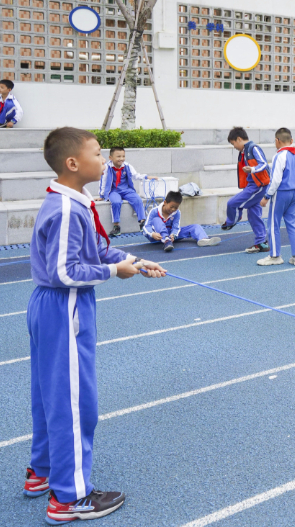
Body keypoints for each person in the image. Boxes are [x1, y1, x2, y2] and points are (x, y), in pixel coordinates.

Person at [25, 127, 166, 524]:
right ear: (73, 163)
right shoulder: (69, 209)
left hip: (55, 308)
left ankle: (42, 473)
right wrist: (112, 271)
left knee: (50, 396)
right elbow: (63, 271)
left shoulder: (75, 199)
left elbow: (99, 249)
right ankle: (69, 498)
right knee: (75, 405)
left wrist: (134, 263)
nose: (104, 160)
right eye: (98, 154)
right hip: (64, 308)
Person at [258, 127, 295, 266]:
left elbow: (276, 180)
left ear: (277, 141)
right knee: (292, 223)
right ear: (291, 140)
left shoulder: (279, 156)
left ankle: (275, 256)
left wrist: (267, 196)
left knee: (273, 224)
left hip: (282, 193)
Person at [222, 127, 271, 254]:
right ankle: (261, 243)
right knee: (254, 214)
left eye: (233, 144)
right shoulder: (244, 151)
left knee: (232, 203)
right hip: (252, 185)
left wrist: (253, 170)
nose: (234, 147)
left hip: (257, 186)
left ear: (239, 139)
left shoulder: (253, 148)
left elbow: (264, 164)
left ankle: (232, 220)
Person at [99, 146, 158, 237]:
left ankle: (143, 223)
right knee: (116, 202)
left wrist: (146, 177)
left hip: (126, 190)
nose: (121, 159)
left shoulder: (127, 166)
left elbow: (135, 176)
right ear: (110, 158)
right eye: (118, 156)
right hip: (114, 191)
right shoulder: (107, 167)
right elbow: (103, 181)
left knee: (137, 199)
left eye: (123, 156)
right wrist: (102, 195)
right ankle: (116, 226)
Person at [143, 190, 221, 252]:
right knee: (156, 220)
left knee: (195, 226)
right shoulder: (154, 211)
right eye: (171, 207)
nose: (173, 209)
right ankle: (166, 240)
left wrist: (174, 235)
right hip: (157, 236)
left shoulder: (177, 213)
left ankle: (203, 239)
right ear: (165, 202)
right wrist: (152, 234)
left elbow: (176, 227)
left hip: (170, 235)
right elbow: (146, 227)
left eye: (176, 207)